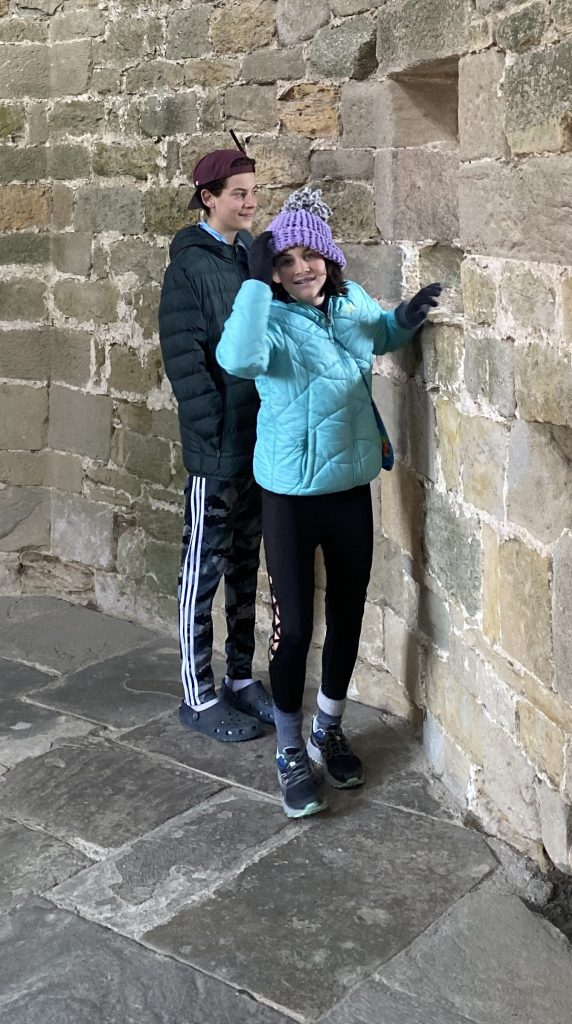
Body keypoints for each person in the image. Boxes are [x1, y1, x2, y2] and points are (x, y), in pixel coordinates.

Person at [216, 186, 441, 817]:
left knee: (347, 613)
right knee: (294, 631)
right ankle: (289, 749)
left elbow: (379, 336)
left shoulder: (351, 301)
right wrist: (253, 285)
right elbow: (237, 359)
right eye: (284, 261)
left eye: (308, 256)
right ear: (271, 271)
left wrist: (406, 318)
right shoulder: (266, 317)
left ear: (328, 257)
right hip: (290, 495)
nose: (299, 269)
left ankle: (327, 728)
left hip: (348, 488)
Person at [158, 140, 275, 742]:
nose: (251, 203)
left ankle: (239, 679)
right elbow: (184, 359)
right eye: (239, 194)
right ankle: (197, 696)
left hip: (259, 441)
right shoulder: (189, 266)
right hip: (218, 449)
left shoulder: (250, 254)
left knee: (245, 567)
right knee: (202, 571)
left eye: (254, 192)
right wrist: (216, 435)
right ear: (208, 198)